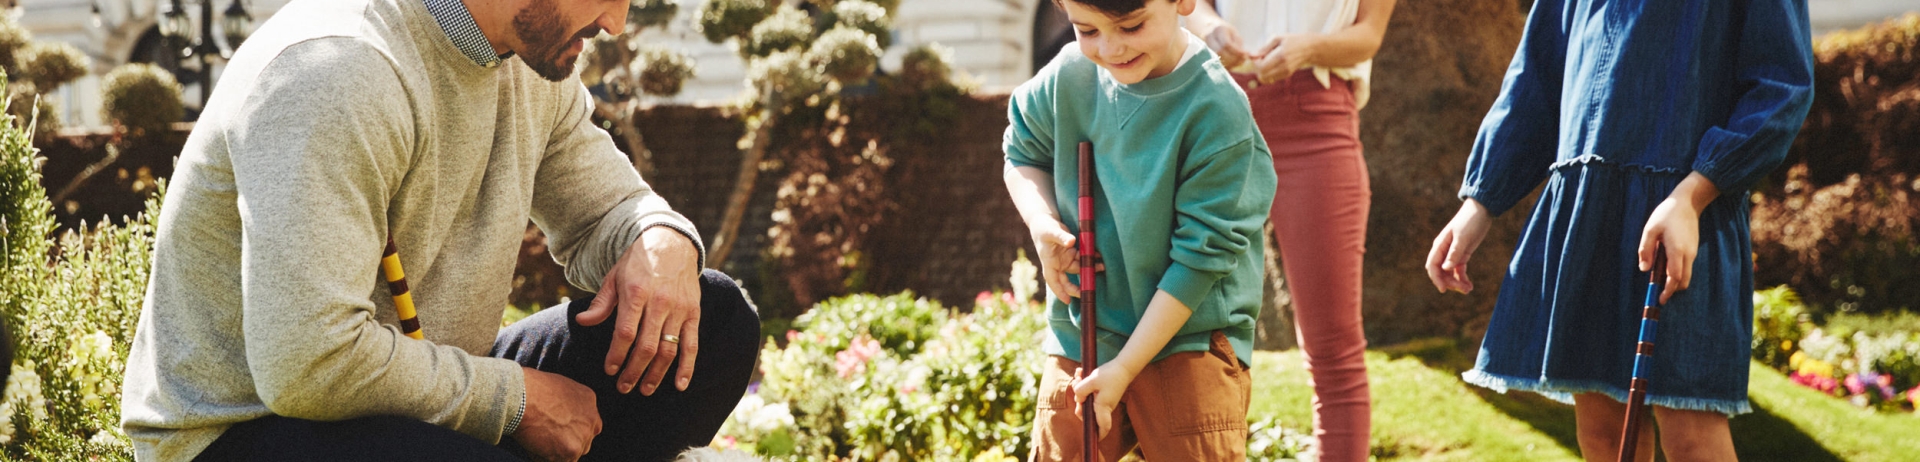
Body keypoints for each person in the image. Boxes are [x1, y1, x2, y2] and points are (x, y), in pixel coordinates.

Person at [117, 0, 762, 460]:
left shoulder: (529, 63)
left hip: (421, 383)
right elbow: (307, 366)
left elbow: (606, 213)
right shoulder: (337, 69)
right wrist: (514, 401)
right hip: (248, 428)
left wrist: (660, 238)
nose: (616, 23)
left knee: (715, 322)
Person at [1424, 0, 1813, 460]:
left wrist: (1691, 196)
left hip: (1686, 219)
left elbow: (1781, 87)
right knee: (1605, 432)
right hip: (1589, 215)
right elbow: (1534, 83)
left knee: (1691, 433)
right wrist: (1480, 203)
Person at [1003, 0, 1277, 459]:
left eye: (1131, 26)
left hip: (1189, 340)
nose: (1110, 48)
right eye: (1086, 30)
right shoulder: (1068, 75)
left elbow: (1200, 258)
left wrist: (1125, 368)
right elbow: (1022, 153)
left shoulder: (1217, 109)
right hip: (1082, 333)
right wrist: (1042, 221)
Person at [1184, 1, 1394, 459]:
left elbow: (1370, 32)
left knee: (1334, 347)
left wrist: (1309, 48)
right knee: (1183, 333)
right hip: (1219, 113)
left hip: (1317, 122)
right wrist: (1211, 26)